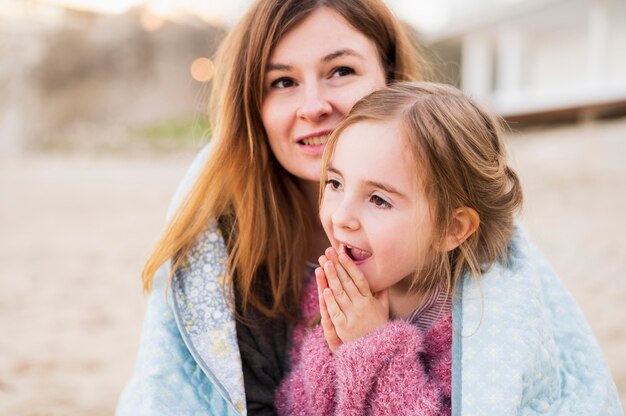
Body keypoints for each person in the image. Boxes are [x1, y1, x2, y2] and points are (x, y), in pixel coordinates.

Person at [116, 0, 422, 415]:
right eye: (282, 82)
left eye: (341, 71)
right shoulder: (222, 254)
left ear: (391, 79)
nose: (313, 106)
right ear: (252, 107)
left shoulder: (455, 218)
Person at [276, 82, 623, 415]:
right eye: (335, 182)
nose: (341, 215)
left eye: (379, 200)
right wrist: (333, 346)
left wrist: (373, 345)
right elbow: (294, 404)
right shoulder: (328, 290)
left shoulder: (477, 329)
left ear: (450, 228)